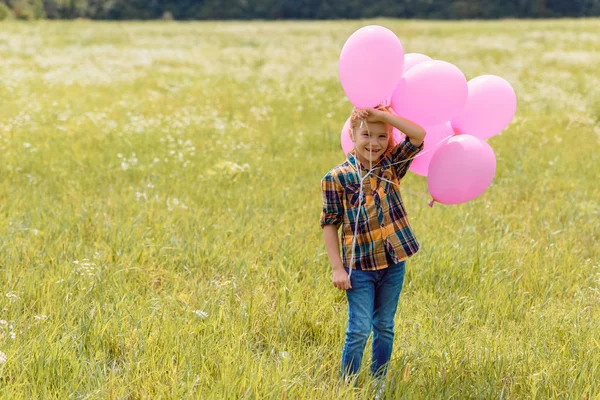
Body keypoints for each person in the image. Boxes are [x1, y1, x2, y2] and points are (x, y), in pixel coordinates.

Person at [320, 104, 426, 387]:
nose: (374, 143)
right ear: (352, 135)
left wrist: (385, 117)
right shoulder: (336, 178)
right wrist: (337, 269)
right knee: (358, 329)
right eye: (366, 134)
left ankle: (379, 381)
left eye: (382, 136)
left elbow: (417, 135)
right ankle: (348, 385)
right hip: (359, 269)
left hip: (393, 263)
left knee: (384, 325)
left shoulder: (392, 166)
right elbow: (330, 223)